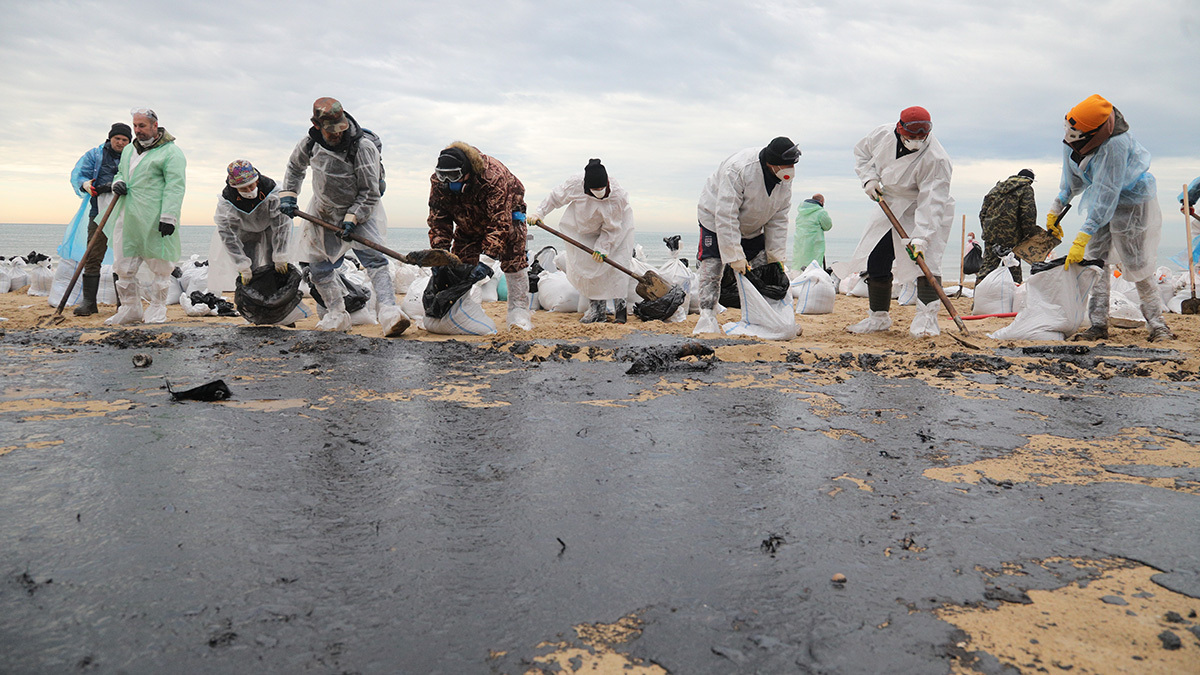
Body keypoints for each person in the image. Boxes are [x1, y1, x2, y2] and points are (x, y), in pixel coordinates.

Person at [279, 97, 408, 336]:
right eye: (331, 132)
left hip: (362, 210)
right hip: (323, 211)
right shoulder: (309, 144)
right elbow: (295, 168)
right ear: (316, 125)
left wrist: (353, 217)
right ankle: (337, 313)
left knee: (375, 261)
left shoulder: (362, 147)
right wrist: (289, 195)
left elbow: (370, 192)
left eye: (340, 129)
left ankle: (389, 313)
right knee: (318, 266)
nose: (337, 135)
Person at [1052, 94, 1173, 342]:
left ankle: (1157, 325)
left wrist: (1082, 236)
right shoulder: (1074, 136)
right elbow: (1071, 179)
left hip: (1131, 202)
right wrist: (1056, 208)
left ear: (1093, 133)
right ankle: (1097, 325)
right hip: (1102, 197)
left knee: (1137, 262)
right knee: (1097, 262)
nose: (1069, 137)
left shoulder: (1115, 144)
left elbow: (1108, 194)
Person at [845, 106, 954, 336]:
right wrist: (869, 179)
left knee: (926, 263)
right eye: (911, 137)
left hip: (922, 208)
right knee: (877, 257)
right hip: (891, 202)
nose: (915, 141)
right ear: (899, 129)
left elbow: (932, 201)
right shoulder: (881, 135)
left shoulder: (937, 159)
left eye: (920, 138)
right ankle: (878, 318)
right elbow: (862, 154)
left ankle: (926, 321)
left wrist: (922, 237)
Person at [693, 136, 800, 334]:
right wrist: (734, 255)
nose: (790, 170)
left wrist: (776, 257)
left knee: (762, 267)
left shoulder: (784, 180)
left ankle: (766, 317)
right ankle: (707, 315)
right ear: (771, 163)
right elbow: (726, 215)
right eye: (786, 165)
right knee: (714, 265)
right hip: (715, 220)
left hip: (753, 224)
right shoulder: (739, 169)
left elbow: (779, 218)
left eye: (792, 165)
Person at [427, 141, 532, 330]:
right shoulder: (439, 181)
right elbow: (438, 218)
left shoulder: (493, 177)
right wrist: (440, 254)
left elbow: (499, 222)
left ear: (467, 171)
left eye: (454, 176)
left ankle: (519, 311)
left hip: (507, 215)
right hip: (467, 216)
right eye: (444, 176)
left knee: (513, 256)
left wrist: (487, 260)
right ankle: (461, 309)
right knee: (460, 262)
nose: (448, 181)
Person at [104, 108, 185, 326]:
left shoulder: (171, 153)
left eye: (142, 126)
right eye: (135, 126)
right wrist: (117, 183)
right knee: (124, 264)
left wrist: (169, 216)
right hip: (128, 216)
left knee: (160, 265)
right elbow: (121, 172)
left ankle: (157, 309)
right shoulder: (130, 150)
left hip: (155, 217)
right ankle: (130, 309)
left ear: (154, 126)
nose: (137, 131)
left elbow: (175, 186)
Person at [528, 159, 635, 323]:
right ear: (586, 187)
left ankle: (621, 311)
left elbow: (611, 228)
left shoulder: (617, 196)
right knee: (590, 266)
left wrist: (603, 248)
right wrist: (539, 213)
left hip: (617, 229)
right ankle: (597, 312)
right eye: (595, 189)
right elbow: (555, 197)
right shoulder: (575, 184)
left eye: (601, 188)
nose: (599, 191)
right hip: (583, 226)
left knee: (616, 267)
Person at [68, 123, 131, 316]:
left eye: (124, 140)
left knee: (123, 257)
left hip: (124, 213)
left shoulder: (133, 157)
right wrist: (87, 185)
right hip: (98, 213)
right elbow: (80, 176)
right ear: (110, 138)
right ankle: (89, 303)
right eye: (117, 139)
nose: (120, 143)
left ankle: (123, 304)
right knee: (93, 255)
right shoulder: (95, 155)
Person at [976, 169, 1038, 282]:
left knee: (987, 268)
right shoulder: (1026, 188)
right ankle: (1015, 297)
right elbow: (1028, 214)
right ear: (1030, 180)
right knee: (1013, 268)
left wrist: (987, 231)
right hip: (1012, 237)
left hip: (991, 235)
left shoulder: (997, 188)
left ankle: (979, 297)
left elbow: (983, 213)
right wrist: (1028, 235)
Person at [792, 193, 832, 270]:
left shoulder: (801, 212)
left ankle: (797, 277)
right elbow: (828, 226)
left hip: (800, 242)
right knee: (814, 264)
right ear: (821, 201)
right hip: (814, 243)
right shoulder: (821, 212)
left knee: (799, 262)